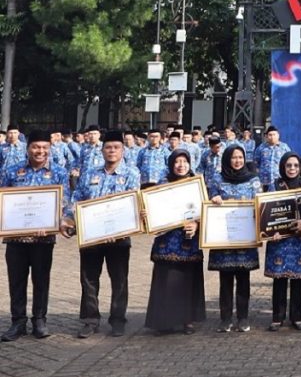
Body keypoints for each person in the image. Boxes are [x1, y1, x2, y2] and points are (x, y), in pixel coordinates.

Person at [64, 130, 141, 338]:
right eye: (108, 147)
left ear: (122, 150)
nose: (112, 151)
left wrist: (120, 229)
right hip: (91, 236)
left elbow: (134, 204)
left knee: (119, 279)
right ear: (102, 150)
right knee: (89, 279)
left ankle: (118, 320)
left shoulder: (131, 174)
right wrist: (69, 219)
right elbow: (77, 198)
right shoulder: (90, 173)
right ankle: (90, 320)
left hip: (120, 237)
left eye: (116, 147)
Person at [1, 130, 70, 341]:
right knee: (16, 281)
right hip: (16, 238)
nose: (40, 151)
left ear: (50, 148)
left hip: (43, 238)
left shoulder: (59, 172)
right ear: (28, 148)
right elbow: (3, 200)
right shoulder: (12, 171)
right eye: (36, 147)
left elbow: (64, 201)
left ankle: (39, 320)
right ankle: (18, 321)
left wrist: (55, 222)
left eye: (44, 147)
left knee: (41, 280)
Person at [144, 149, 206, 334]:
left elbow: (206, 210)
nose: (181, 165)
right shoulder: (163, 185)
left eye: (185, 161)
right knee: (166, 281)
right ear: (171, 164)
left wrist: (197, 224)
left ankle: (188, 320)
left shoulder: (197, 184)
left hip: (188, 242)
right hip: (166, 242)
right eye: (177, 162)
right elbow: (153, 211)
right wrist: (147, 215)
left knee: (187, 281)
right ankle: (164, 322)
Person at [208, 145, 262, 333]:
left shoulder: (253, 180)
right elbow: (209, 200)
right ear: (227, 159)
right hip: (223, 238)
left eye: (240, 157)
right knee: (225, 280)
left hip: (245, 238)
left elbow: (260, 204)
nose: (237, 161)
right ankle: (225, 319)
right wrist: (214, 199)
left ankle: (243, 318)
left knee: (243, 279)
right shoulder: (217, 179)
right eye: (233, 157)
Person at [265, 152, 301, 331]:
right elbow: (267, 211)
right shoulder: (275, 185)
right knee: (279, 278)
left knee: (297, 279)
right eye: (288, 165)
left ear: (300, 167)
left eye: (295, 165)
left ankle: (296, 316)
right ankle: (277, 317)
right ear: (282, 167)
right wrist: (271, 231)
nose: (292, 168)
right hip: (280, 239)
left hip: (300, 238)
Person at [255, 127, 291, 191]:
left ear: (278, 135)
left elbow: (289, 161)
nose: (272, 137)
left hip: (279, 180)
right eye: (270, 135)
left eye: (274, 135)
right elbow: (256, 162)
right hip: (264, 181)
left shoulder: (284, 147)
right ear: (266, 136)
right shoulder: (261, 147)